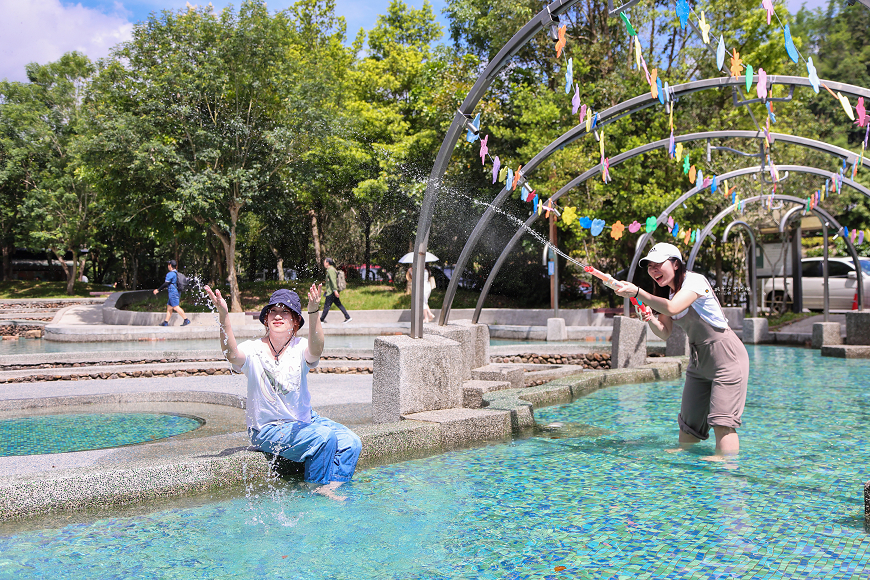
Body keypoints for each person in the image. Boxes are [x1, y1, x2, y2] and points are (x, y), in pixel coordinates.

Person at [203, 284, 362, 500]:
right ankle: (314, 492)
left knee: (352, 443)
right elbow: (231, 354)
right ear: (266, 318)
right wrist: (224, 315)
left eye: (285, 312)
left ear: (295, 320)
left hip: (305, 421)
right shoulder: (254, 349)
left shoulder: (301, 347)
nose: (278, 316)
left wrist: (314, 312)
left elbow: (317, 348)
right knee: (323, 438)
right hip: (267, 428)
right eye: (273, 311)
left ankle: (332, 488)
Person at [614, 242, 749, 459]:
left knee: (722, 422)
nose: (653, 270)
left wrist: (638, 292)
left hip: (727, 357)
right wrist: (649, 318)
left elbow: (674, 308)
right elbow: (665, 332)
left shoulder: (694, 282)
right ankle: (684, 468)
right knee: (689, 422)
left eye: (659, 264)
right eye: (650, 266)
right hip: (699, 360)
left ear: (676, 264)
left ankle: (726, 470)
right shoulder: (667, 293)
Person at [153, 260, 190, 326]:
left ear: (170, 265)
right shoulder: (176, 273)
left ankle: (186, 319)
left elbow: (166, 283)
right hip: (175, 292)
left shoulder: (170, 274)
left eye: (168, 264)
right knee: (169, 307)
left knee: (175, 307)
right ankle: (166, 322)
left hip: (173, 293)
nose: (168, 266)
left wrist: (158, 290)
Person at [321, 258, 351, 324]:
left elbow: (333, 280)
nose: (324, 263)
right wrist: (327, 290)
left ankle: (321, 319)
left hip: (331, 292)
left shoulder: (331, 270)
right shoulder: (330, 270)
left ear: (327, 263)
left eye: (324, 262)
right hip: (331, 291)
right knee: (339, 305)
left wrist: (335, 290)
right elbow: (329, 282)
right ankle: (347, 317)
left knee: (326, 306)